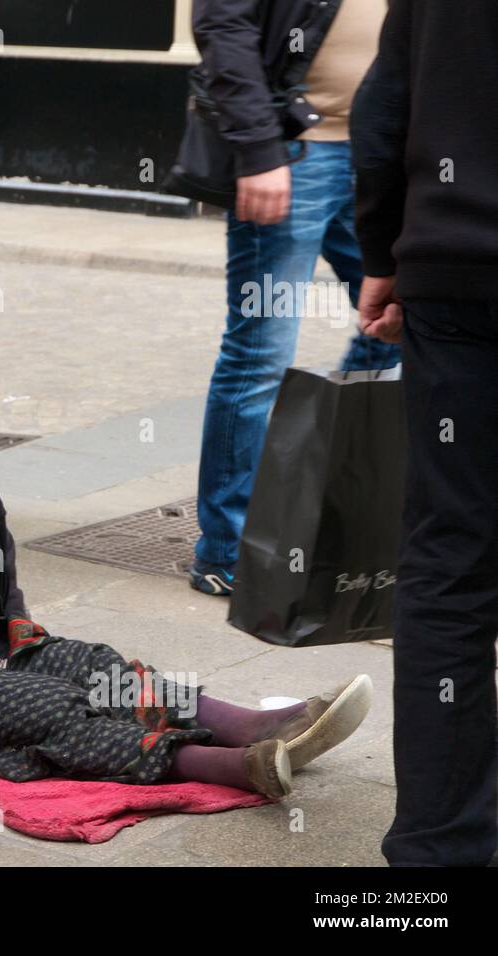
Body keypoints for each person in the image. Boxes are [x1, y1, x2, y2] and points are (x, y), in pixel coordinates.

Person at [0, 319, 372, 796]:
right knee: (44, 706)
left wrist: (27, 641)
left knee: (95, 665)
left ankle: (250, 724)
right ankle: (228, 764)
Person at [351, 0, 498, 867]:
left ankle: (440, 852)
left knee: (449, 560)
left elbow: (384, 105)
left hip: (455, 269)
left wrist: (385, 251)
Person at [188, 0, 401, 596]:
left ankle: (329, 518)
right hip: (298, 151)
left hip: (386, 155)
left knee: (395, 331)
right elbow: (221, 22)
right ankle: (227, 552)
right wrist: (258, 147)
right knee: (261, 354)